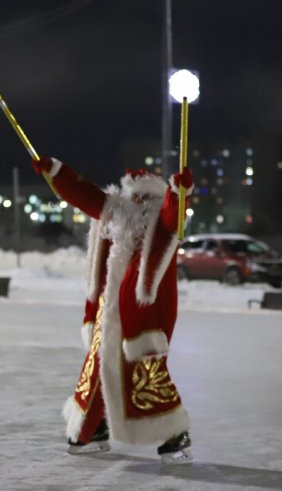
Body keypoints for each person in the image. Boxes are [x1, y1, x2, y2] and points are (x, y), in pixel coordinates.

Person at [32, 156, 195, 464]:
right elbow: (87, 197)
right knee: (96, 372)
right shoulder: (117, 212)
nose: (136, 202)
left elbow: (173, 219)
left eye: (144, 197)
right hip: (110, 309)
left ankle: (174, 434)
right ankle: (89, 431)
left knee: (145, 374)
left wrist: (177, 192)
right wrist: (57, 172)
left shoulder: (160, 222)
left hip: (141, 316)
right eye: (133, 196)